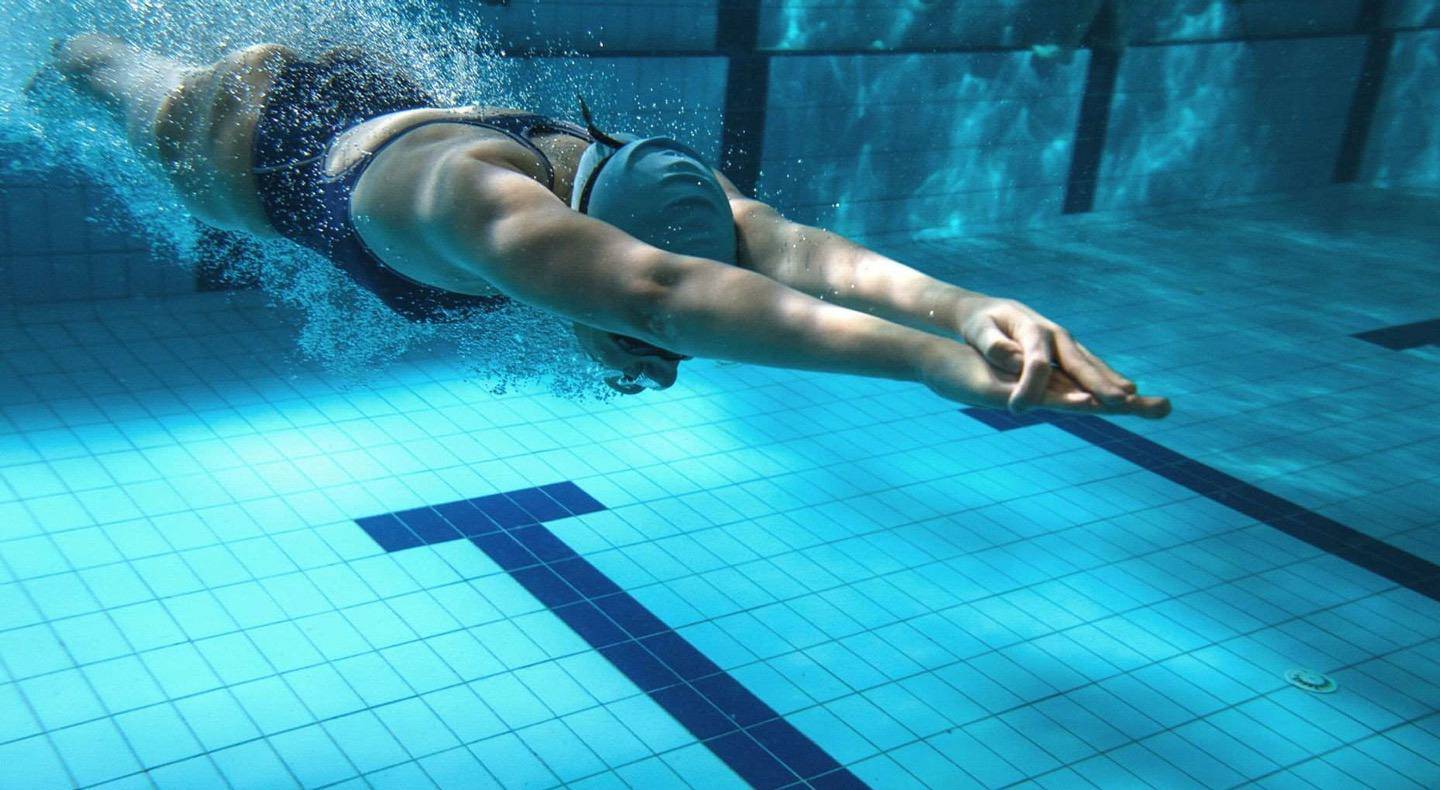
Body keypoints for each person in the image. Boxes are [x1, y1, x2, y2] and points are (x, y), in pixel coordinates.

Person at [49, 34, 1170, 417]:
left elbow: (785, 249)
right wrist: (936, 368)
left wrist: (974, 308)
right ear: (584, 250)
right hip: (244, 136)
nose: (661, 364)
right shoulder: (480, 208)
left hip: (370, 98)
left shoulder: (647, 180)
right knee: (100, 73)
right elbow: (655, 293)